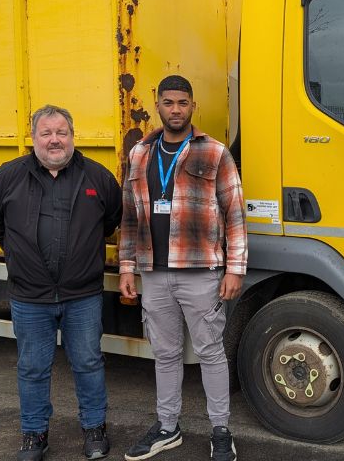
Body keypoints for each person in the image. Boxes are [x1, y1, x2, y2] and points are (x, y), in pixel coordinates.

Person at [0, 105, 123, 461]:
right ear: (33, 138)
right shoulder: (5, 178)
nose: (54, 140)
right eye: (46, 133)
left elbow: (112, 219)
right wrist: (15, 246)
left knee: (88, 362)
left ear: (73, 136)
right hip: (30, 296)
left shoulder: (98, 178)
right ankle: (34, 434)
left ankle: (94, 428)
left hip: (82, 294)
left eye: (62, 132)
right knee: (32, 367)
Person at [118, 75, 246, 461]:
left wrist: (235, 269)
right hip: (154, 272)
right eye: (168, 102)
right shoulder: (139, 153)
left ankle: (221, 430)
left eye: (182, 103)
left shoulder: (215, 153)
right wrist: (127, 267)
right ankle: (167, 426)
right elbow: (129, 216)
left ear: (193, 107)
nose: (175, 109)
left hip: (200, 270)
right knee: (166, 353)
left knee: (210, 353)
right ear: (157, 105)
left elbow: (235, 213)